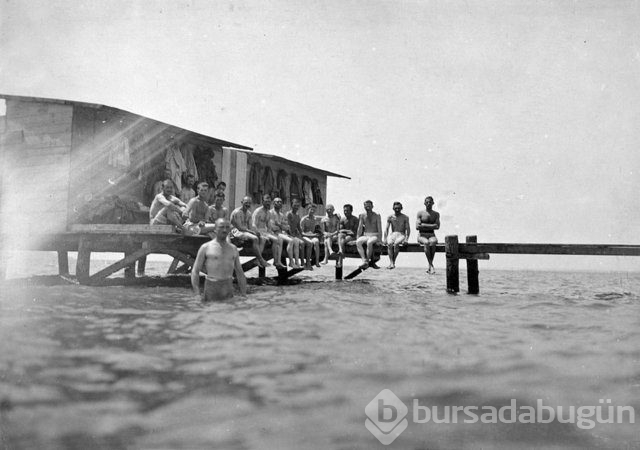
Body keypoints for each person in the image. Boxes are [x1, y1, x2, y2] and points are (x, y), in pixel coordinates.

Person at [191, 218, 247, 301]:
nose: (224, 230)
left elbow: (240, 272)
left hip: (228, 288)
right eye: (221, 227)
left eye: (227, 227)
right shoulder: (206, 247)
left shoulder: (233, 249)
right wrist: (197, 294)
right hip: (212, 288)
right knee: (211, 311)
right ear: (215, 229)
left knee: (229, 312)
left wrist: (243, 294)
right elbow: (195, 271)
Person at [230, 196, 270, 268]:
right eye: (246, 203)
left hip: (245, 232)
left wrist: (256, 232)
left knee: (263, 238)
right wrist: (251, 232)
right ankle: (261, 259)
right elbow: (239, 227)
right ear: (242, 202)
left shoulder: (248, 213)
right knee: (255, 238)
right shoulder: (237, 212)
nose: (248, 205)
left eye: (249, 203)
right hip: (236, 232)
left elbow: (250, 226)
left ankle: (257, 260)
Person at [252, 194, 285, 269]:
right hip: (258, 231)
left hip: (265, 232)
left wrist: (272, 234)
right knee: (263, 239)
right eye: (266, 201)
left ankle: (276, 261)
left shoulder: (268, 213)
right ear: (262, 201)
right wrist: (258, 233)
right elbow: (253, 225)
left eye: (269, 202)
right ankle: (257, 260)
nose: (268, 203)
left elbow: (268, 226)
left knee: (277, 239)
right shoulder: (258, 211)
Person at [271, 197, 302, 269]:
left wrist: (279, 225)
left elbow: (286, 227)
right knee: (290, 240)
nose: (279, 203)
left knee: (296, 241)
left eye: (280, 202)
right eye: (277, 202)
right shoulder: (270, 213)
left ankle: (296, 262)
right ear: (273, 203)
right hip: (274, 234)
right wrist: (281, 226)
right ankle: (289, 261)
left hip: (281, 233)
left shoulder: (281, 215)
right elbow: (272, 227)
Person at [416, 196, 440, 274]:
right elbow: (417, 227)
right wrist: (431, 225)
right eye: (427, 202)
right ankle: (431, 265)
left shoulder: (436, 214)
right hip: (421, 235)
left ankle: (430, 265)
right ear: (424, 203)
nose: (428, 203)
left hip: (431, 235)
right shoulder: (420, 213)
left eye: (430, 202)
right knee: (426, 243)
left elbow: (437, 226)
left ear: (433, 203)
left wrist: (423, 225)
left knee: (433, 242)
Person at [356, 200, 382, 269]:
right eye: (366, 206)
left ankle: (367, 261)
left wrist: (380, 239)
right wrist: (357, 237)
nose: (367, 207)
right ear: (364, 207)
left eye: (369, 206)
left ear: (372, 206)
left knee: (369, 242)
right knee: (358, 242)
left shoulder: (377, 215)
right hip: (366, 235)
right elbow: (360, 227)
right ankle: (363, 260)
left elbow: (379, 228)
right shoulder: (362, 215)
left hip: (375, 235)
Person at [383, 202, 410, 269]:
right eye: (395, 208)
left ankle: (392, 262)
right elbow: (386, 229)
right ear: (393, 208)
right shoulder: (390, 217)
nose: (397, 210)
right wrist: (385, 238)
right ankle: (392, 263)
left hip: (401, 234)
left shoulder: (405, 217)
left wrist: (406, 239)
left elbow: (408, 229)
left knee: (397, 243)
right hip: (393, 234)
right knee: (389, 244)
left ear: (401, 208)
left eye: (398, 208)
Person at [286, 198, 311, 270]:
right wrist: (292, 236)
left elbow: (298, 227)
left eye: (298, 205)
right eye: (295, 205)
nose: (297, 207)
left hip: (296, 234)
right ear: (292, 205)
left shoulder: (297, 215)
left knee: (309, 243)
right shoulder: (289, 214)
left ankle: (307, 262)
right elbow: (288, 227)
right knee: (302, 243)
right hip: (289, 234)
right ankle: (301, 261)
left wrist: (303, 234)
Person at [300, 203, 321, 269]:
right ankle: (308, 262)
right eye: (311, 210)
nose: (312, 211)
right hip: (305, 236)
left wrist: (318, 233)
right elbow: (301, 233)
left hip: (313, 236)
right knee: (310, 243)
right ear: (307, 210)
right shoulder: (304, 219)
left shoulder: (315, 219)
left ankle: (317, 261)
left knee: (316, 242)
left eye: (314, 210)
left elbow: (318, 228)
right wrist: (312, 235)